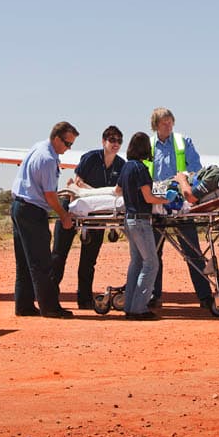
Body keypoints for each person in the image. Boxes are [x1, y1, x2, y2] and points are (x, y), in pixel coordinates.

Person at [52, 124, 126, 309]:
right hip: (72, 208)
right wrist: (100, 193)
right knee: (59, 255)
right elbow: (77, 183)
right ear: (103, 141)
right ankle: (49, 297)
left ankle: (84, 299)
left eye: (119, 141)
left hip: (98, 214)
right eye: (112, 140)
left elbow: (119, 191)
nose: (115, 144)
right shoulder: (91, 158)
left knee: (89, 259)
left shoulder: (121, 164)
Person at [10, 121, 79, 318]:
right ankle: (50, 308)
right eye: (67, 143)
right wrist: (64, 215)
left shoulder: (38, 147)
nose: (68, 148)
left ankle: (24, 305)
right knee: (42, 262)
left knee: (25, 261)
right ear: (56, 138)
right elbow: (50, 195)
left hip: (19, 206)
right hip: (32, 211)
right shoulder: (48, 159)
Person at [148, 107, 215, 310]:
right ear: (155, 125)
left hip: (180, 204)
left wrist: (182, 182)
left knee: (192, 251)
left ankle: (205, 296)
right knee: (153, 254)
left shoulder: (183, 142)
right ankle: (153, 295)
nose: (168, 126)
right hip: (156, 205)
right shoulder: (148, 145)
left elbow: (196, 169)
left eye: (170, 122)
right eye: (164, 123)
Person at [118, 131, 164, 319]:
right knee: (151, 264)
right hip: (141, 220)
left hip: (129, 219)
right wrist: (167, 200)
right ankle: (138, 308)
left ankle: (130, 306)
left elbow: (118, 190)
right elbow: (148, 197)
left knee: (136, 263)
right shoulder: (140, 169)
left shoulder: (126, 167)